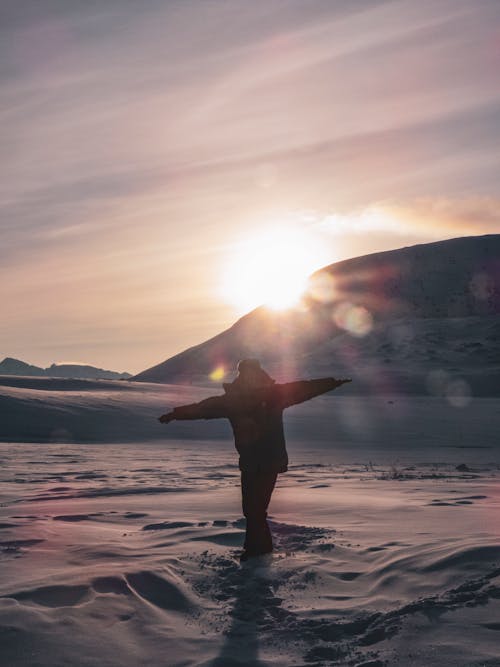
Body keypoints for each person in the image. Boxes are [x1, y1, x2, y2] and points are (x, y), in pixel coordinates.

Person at [158, 359, 351, 562]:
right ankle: (257, 550)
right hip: (250, 462)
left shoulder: (274, 395)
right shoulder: (234, 400)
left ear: (258, 372)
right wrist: (175, 414)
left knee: (256, 509)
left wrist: (332, 382)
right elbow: (204, 408)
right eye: (244, 373)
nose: (248, 376)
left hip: (270, 461)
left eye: (251, 372)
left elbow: (305, 388)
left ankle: (257, 553)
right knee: (251, 510)